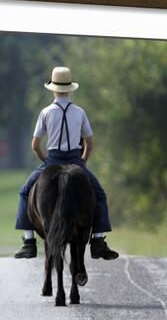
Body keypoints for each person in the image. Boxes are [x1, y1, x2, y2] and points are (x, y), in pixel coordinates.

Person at [13, 66, 119, 260]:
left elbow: (35, 145)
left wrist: (46, 161)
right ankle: (98, 240)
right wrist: (82, 162)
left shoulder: (45, 112)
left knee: (24, 192)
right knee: (100, 195)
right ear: (70, 89)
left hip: (52, 160)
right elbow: (89, 143)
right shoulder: (79, 112)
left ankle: (28, 242)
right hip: (75, 161)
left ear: (53, 89)